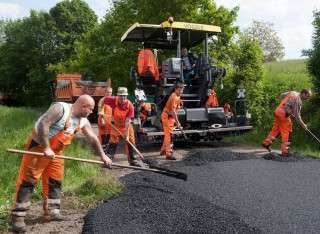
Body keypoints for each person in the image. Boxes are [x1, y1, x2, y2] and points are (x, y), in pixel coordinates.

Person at [11, 94, 112, 233]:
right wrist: (46, 148)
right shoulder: (60, 109)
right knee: (28, 182)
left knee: (55, 181)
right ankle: (17, 218)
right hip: (38, 148)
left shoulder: (83, 121)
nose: (91, 112)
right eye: (90, 109)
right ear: (83, 106)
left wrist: (103, 155)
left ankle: (52, 212)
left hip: (56, 153)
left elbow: (93, 139)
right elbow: (43, 124)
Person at [99, 87, 141, 167]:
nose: (123, 98)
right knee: (113, 142)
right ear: (118, 96)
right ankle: (107, 161)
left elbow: (128, 121)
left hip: (126, 126)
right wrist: (101, 110)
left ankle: (132, 161)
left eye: (124, 96)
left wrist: (127, 135)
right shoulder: (112, 100)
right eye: (121, 96)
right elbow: (102, 100)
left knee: (131, 142)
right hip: (116, 125)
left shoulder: (130, 106)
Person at [262, 89, 312, 155]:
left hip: (277, 111)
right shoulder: (298, 100)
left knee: (277, 129)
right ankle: (285, 151)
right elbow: (297, 117)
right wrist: (303, 125)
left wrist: (287, 108)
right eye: (307, 96)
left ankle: (266, 143)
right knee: (287, 130)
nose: (307, 98)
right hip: (283, 115)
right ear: (303, 93)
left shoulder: (293, 93)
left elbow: (281, 95)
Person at [160, 82, 184, 160]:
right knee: (170, 136)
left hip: (168, 117)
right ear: (175, 89)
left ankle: (163, 150)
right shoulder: (174, 97)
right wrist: (178, 122)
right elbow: (173, 112)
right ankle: (169, 154)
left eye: (182, 90)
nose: (180, 91)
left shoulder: (177, 96)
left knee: (167, 134)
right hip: (167, 117)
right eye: (179, 90)